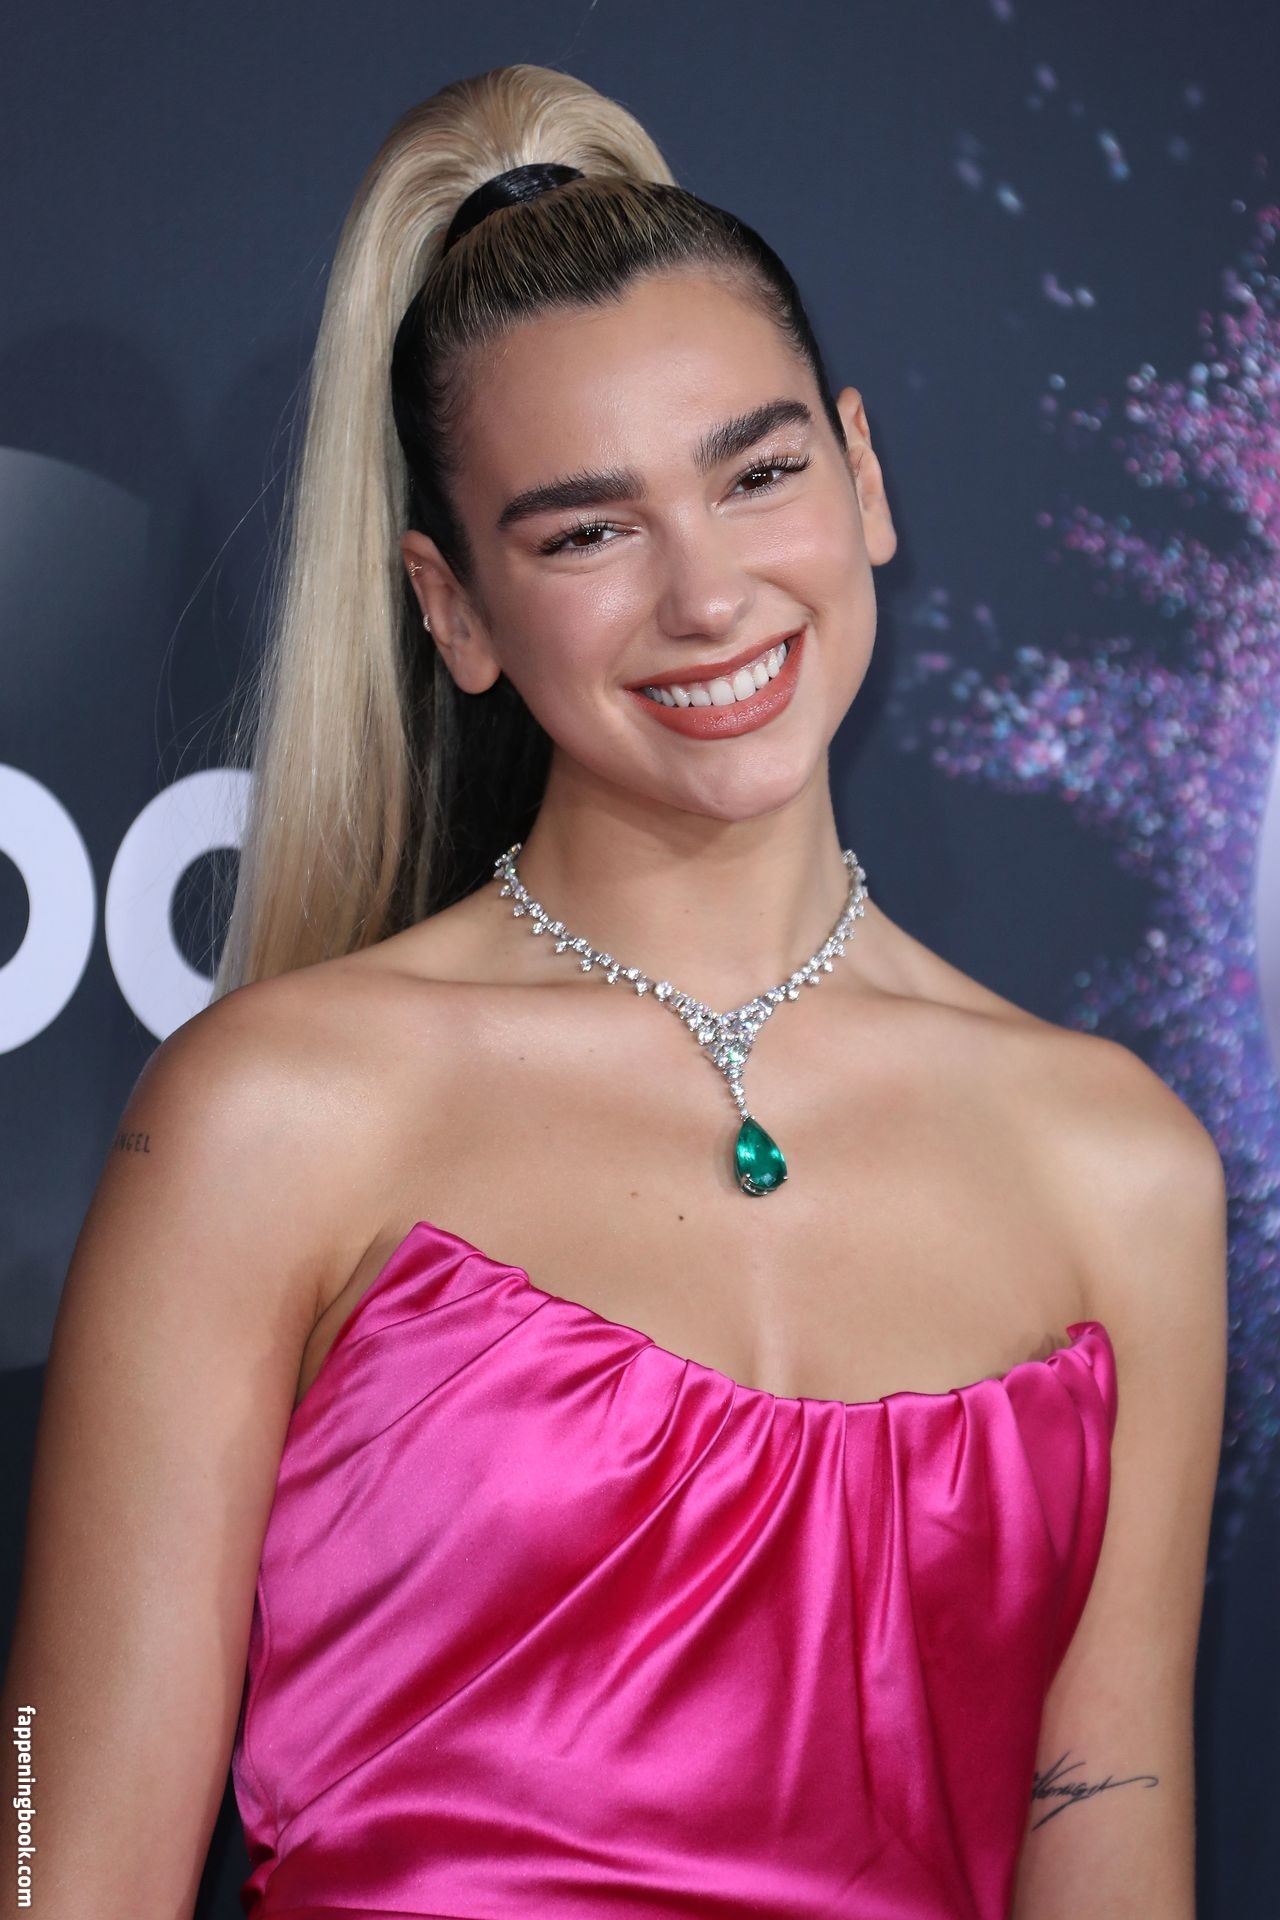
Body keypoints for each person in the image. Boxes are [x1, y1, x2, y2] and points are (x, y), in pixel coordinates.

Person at [1, 60, 1226, 1920]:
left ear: (864, 475)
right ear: (455, 610)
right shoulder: (276, 1114)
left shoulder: (1120, 1166)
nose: (707, 594)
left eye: (759, 473)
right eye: (587, 530)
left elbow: (1111, 1838)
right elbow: (50, 1851)